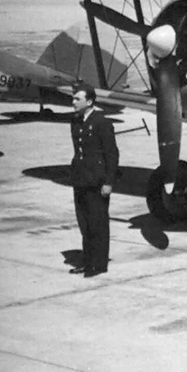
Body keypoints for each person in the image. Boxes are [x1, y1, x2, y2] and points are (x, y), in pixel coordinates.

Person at [69, 85, 118, 277]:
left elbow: (112, 154)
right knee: (84, 223)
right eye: (73, 98)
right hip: (80, 179)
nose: (73, 102)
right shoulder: (75, 121)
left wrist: (109, 182)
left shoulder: (101, 122)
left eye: (77, 99)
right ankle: (88, 261)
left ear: (89, 102)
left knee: (98, 223)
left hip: (97, 180)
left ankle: (99, 265)